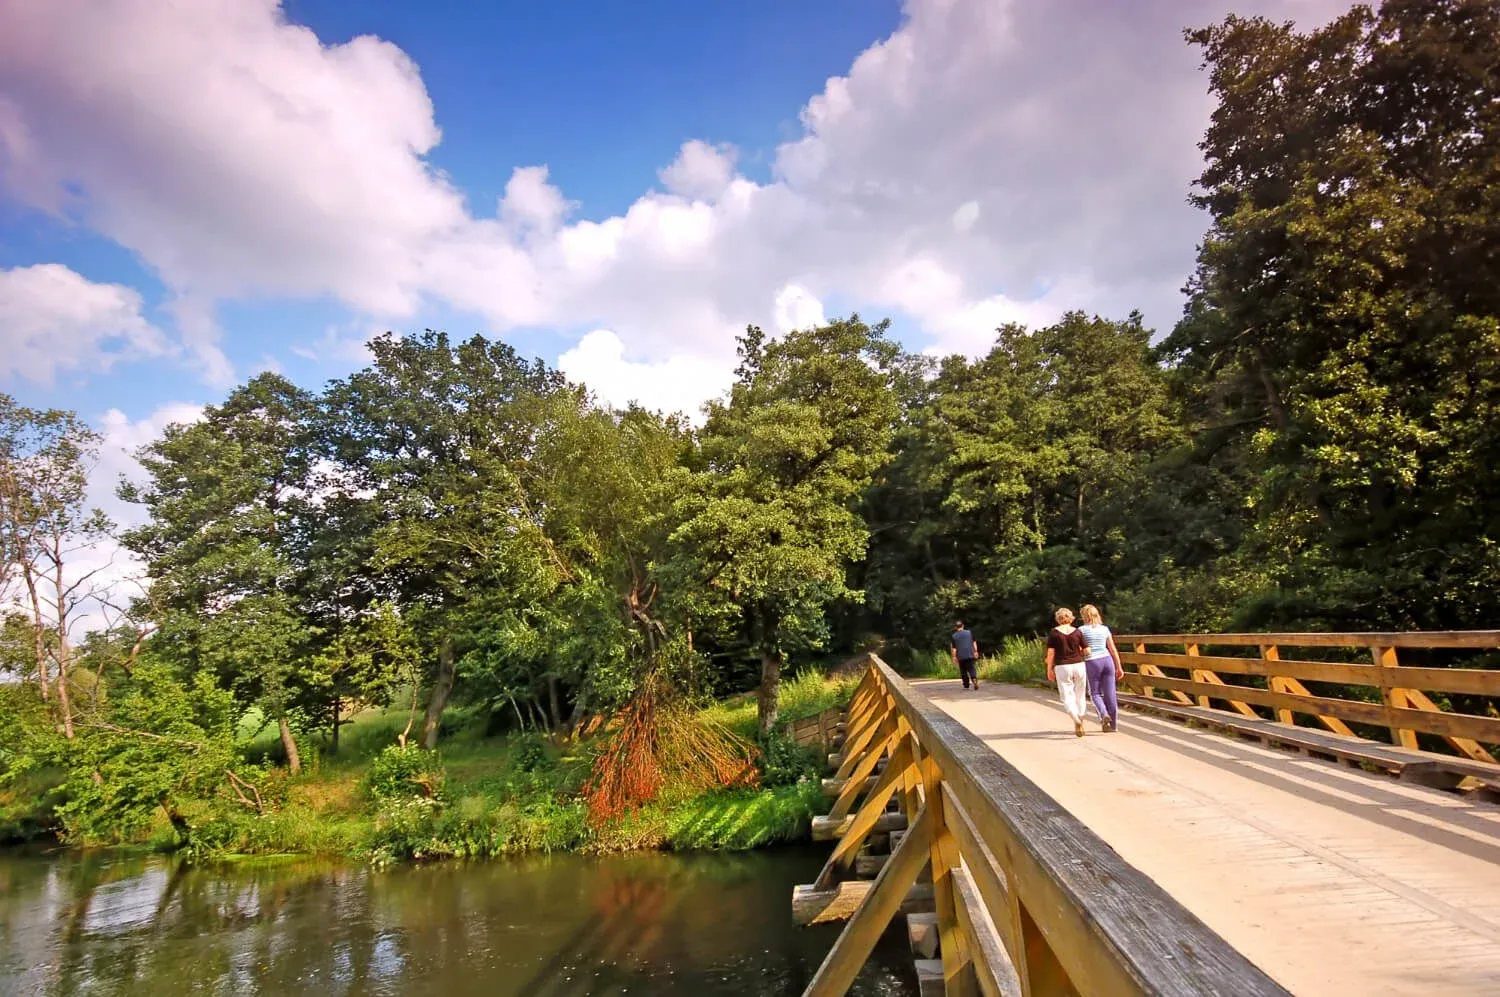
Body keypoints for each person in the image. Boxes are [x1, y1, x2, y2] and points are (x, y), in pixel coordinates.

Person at [1078, 604, 1124, 732]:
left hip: (1092, 662)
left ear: (1084, 616)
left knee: (1095, 693)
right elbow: (1113, 649)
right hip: (1107, 660)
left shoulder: (1081, 630)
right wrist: (1119, 666)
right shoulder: (1104, 629)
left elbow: (1079, 650)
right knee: (1110, 694)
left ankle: (1104, 714)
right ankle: (1113, 726)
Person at [1044, 607, 1090, 736]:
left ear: (1058, 619)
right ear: (1070, 618)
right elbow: (1087, 650)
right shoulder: (1077, 632)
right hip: (1079, 664)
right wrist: (1078, 652)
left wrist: (1049, 670)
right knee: (1080, 694)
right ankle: (1081, 717)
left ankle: (1075, 719)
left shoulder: (1054, 633)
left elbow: (1051, 653)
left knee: (1066, 696)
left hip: (1062, 666)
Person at [950, 621, 980, 690]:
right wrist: (975, 652)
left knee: (963, 670)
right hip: (970, 653)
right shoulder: (969, 633)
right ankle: (974, 679)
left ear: (955, 627)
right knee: (971, 668)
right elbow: (974, 643)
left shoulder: (954, 636)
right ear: (962, 626)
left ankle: (966, 684)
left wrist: (954, 657)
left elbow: (954, 649)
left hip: (961, 656)